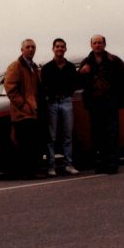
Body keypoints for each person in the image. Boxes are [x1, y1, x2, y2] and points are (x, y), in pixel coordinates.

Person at [78, 34, 124, 174]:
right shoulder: (86, 63)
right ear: (91, 45)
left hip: (110, 103)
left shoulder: (114, 60)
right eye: (95, 43)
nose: (97, 45)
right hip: (94, 105)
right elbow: (77, 83)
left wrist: (117, 99)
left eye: (100, 43)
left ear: (105, 44)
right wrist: (82, 73)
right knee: (97, 135)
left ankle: (112, 165)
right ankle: (101, 164)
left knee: (112, 135)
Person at [4, 38, 44, 178]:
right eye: (27, 47)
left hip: (35, 111)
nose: (31, 49)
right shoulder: (15, 66)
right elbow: (10, 89)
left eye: (33, 47)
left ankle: (33, 170)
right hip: (23, 113)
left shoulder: (34, 67)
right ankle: (28, 172)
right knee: (26, 143)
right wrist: (23, 106)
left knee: (34, 142)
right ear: (22, 50)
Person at [41, 38, 79, 177]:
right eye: (57, 46)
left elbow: (75, 83)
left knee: (68, 135)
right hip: (52, 103)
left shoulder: (70, 67)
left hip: (67, 101)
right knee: (51, 137)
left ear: (65, 49)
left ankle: (68, 165)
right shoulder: (47, 68)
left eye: (62, 47)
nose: (60, 49)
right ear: (53, 49)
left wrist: (69, 93)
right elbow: (43, 86)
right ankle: (51, 167)